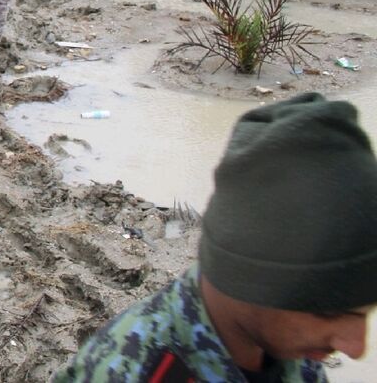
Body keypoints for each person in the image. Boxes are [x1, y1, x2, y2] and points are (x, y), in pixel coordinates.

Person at [55, 92, 377, 382]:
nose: (355, 346)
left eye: (365, 312)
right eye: (331, 312)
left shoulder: (285, 342)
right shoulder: (131, 371)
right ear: (253, 276)